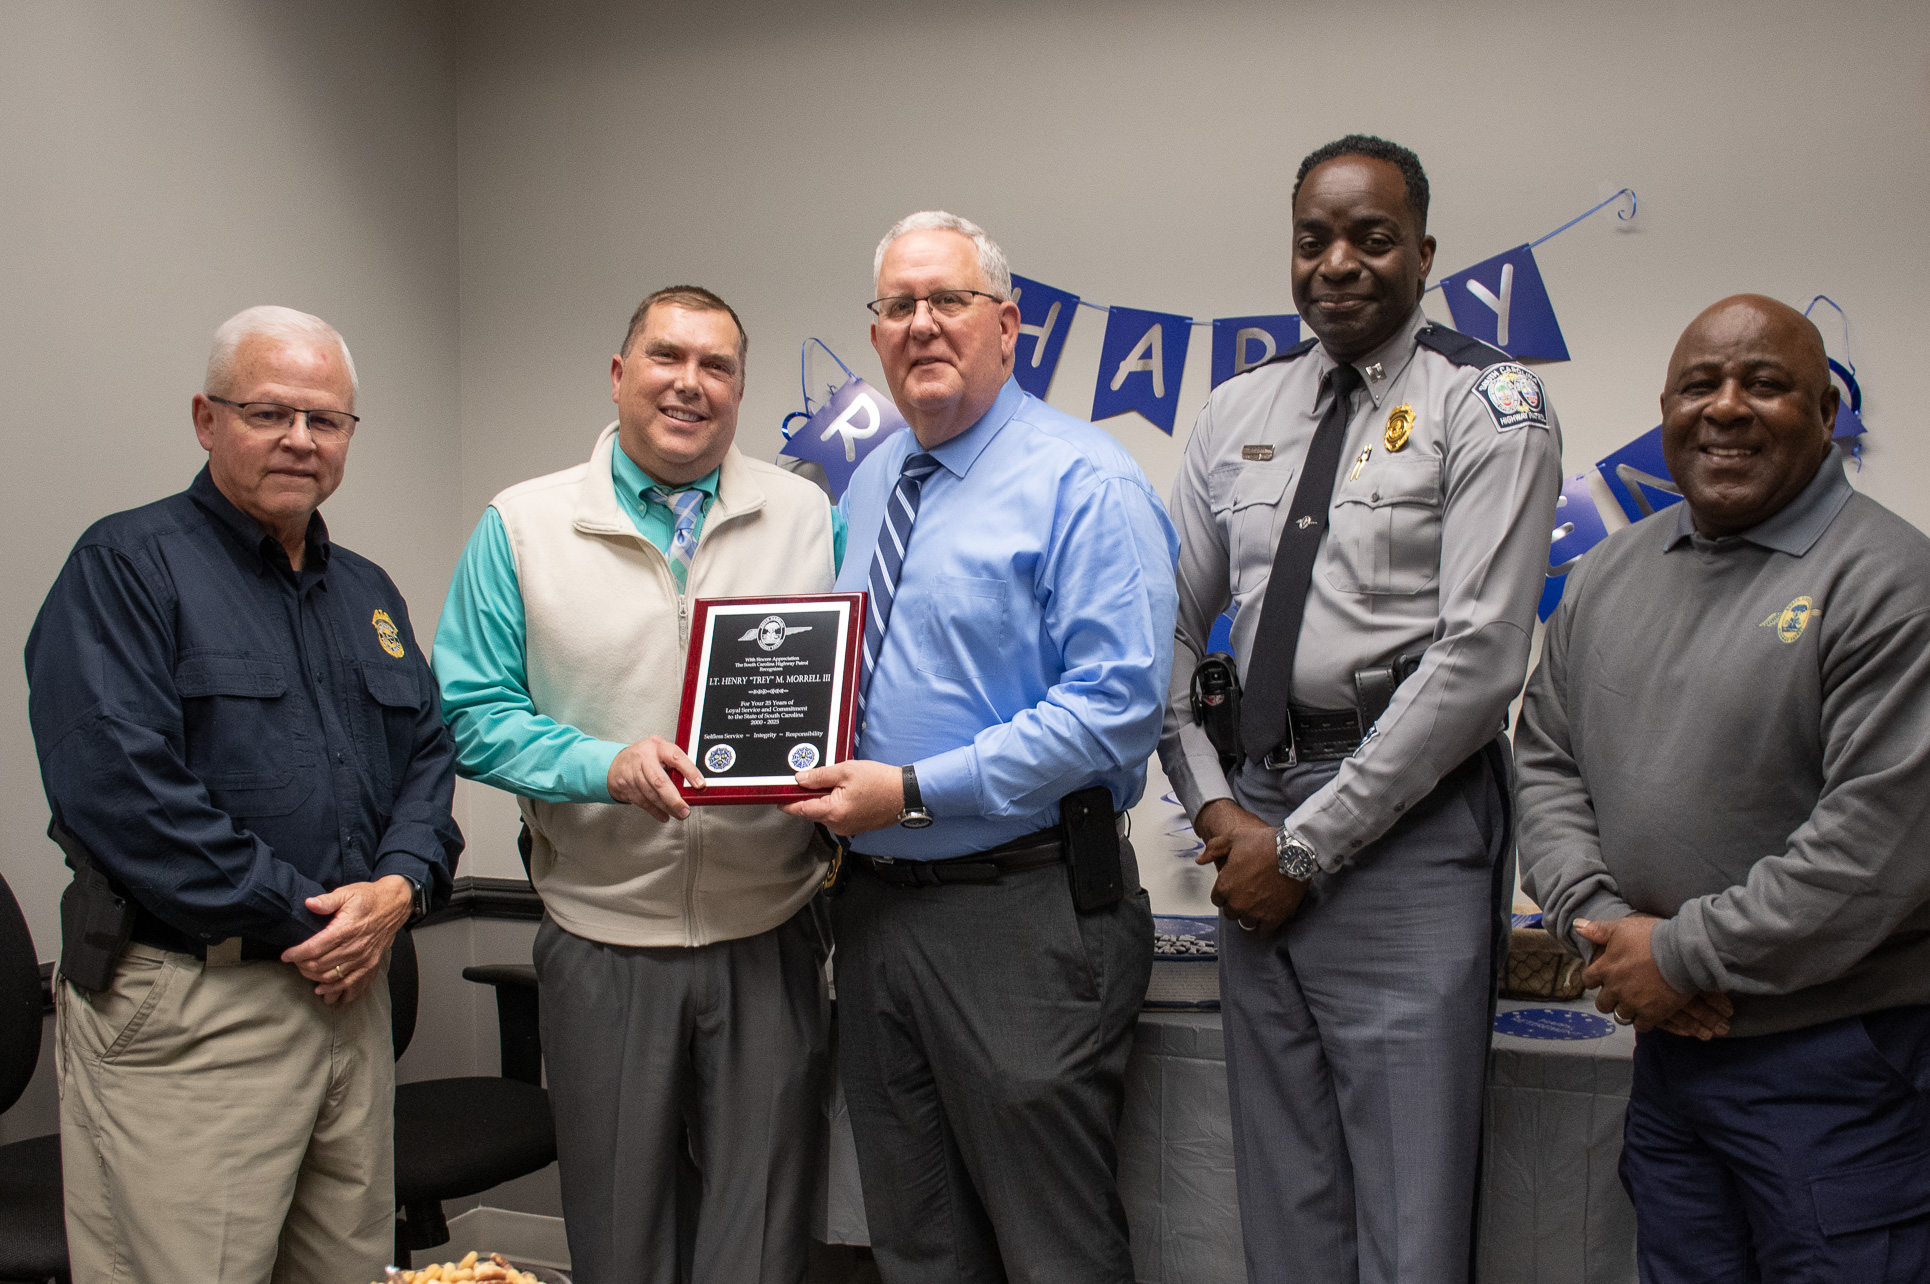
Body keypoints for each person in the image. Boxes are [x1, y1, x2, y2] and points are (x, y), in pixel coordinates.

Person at [1517, 294, 1930, 1282]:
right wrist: (1608, 932)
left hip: (1845, 1069)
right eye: (1698, 384)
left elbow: (1871, 855)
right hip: (1671, 1055)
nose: (1725, 407)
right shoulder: (1609, 573)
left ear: (1827, 413)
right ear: (1665, 412)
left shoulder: (1897, 589)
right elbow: (1541, 762)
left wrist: (1684, 955)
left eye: (1765, 384)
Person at [1156, 135, 1563, 1283]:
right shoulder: (1236, 408)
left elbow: (1480, 660)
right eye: (1312, 239)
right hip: (1253, 823)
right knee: (1282, 1190)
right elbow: (1167, 639)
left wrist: (1308, 848)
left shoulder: (1489, 404)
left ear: (1422, 253)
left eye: (1370, 237)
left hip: (1406, 830)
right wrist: (1218, 811)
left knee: (1406, 1206)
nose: (1337, 262)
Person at [25, 305, 463, 1283]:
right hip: (196, 1006)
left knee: (347, 1268)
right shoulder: (128, 568)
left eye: (326, 419)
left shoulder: (367, 593)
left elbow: (428, 759)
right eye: (270, 413)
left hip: (349, 1002)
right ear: (206, 418)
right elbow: (124, 793)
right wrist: (309, 918)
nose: (301, 439)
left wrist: (399, 887)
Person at [783, 211, 1177, 1284]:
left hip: (1026, 915)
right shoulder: (870, 488)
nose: (920, 325)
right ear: (875, 336)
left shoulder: (1082, 481)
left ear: (1007, 326)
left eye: (945, 300)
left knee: (1052, 1247)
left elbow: (1115, 708)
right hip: (872, 914)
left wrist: (910, 791)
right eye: (896, 306)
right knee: (917, 1243)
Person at [433, 285, 839, 1284]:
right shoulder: (523, 525)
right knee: (622, 1239)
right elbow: (469, 715)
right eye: (667, 357)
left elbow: (848, 687)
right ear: (619, 376)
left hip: (769, 936)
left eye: (717, 367)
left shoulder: (804, 513)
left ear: (739, 391)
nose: (689, 384)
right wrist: (600, 766)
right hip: (601, 940)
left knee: (763, 1247)